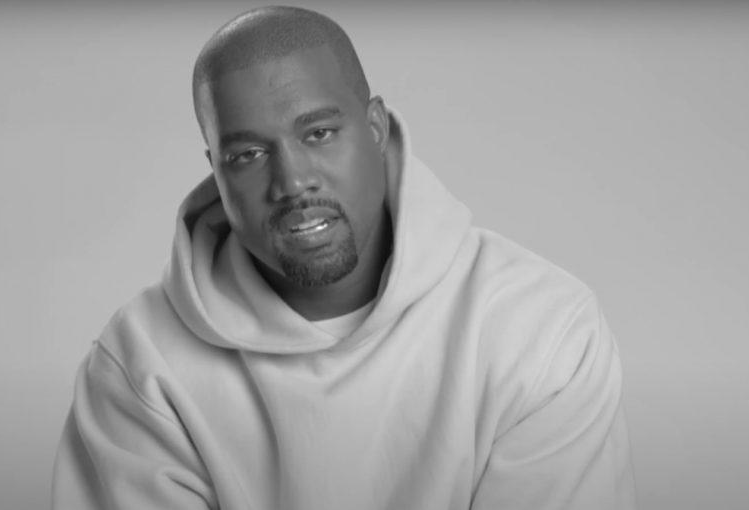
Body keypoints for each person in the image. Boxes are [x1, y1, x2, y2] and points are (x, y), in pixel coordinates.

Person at [52, 6, 637, 510]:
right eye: (249, 154)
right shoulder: (141, 362)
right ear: (216, 170)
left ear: (376, 127)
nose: (292, 181)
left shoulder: (539, 328)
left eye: (319, 134)